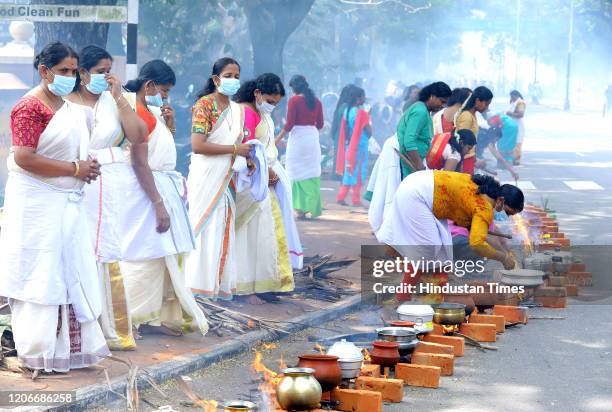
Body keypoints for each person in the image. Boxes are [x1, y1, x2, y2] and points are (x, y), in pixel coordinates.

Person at [0, 42, 109, 374]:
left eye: (73, 71)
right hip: (36, 205)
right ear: (44, 71)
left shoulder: (74, 110)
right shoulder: (29, 107)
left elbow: (71, 154)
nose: (70, 76)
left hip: (66, 204)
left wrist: (85, 168)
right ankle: (36, 352)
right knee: (39, 276)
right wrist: (75, 169)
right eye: (63, 70)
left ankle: (68, 351)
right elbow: (24, 157)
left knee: (66, 272)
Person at [116, 60, 208, 337]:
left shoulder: (150, 112)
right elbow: (140, 162)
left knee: (161, 255)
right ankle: (130, 318)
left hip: (160, 185)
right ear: (149, 86)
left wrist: (169, 125)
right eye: (164, 90)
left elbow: (160, 148)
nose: (166, 96)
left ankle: (152, 316)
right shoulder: (138, 113)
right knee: (142, 254)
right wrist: (157, 203)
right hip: (145, 190)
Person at [67, 45, 147, 350]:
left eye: (108, 70)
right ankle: (79, 329)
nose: (106, 76)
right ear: (83, 73)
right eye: (99, 71)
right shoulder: (67, 102)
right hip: (74, 180)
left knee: (106, 249)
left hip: (109, 183)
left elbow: (139, 135)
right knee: (79, 246)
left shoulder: (118, 100)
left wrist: (118, 98)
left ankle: (109, 327)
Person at [185, 57, 252, 300]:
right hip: (206, 176)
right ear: (216, 79)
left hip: (227, 176)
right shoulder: (205, 105)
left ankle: (214, 287)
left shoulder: (237, 110)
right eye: (228, 76)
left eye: (237, 76)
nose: (233, 80)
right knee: (203, 229)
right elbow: (198, 145)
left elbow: (237, 144)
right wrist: (235, 151)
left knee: (222, 227)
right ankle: (194, 287)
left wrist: (248, 158)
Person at [233, 73, 303, 304]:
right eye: (270, 101)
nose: (272, 106)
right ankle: (248, 288)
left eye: (276, 103)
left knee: (269, 233)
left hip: (266, 179)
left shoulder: (260, 112)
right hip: (252, 181)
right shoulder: (247, 112)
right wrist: (265, 170)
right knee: (253, 235)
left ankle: (266, 283)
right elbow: (248, 147)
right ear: (257, 94)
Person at [377, 171, 522, 269]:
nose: (505, 215)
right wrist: (502, 258)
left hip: (415, 180)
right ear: (501, 200)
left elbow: (478, 232)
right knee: (430, 249)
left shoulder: (483, 189)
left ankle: (410, 274)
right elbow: (477, 244)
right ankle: (408, 289)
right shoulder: (483, 207)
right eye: (507, 212)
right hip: (418, 194)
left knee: (443, 247)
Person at [276, 75, 324, 219]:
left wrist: (276, 139)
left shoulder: (294, 101)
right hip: (312, 138)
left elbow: (289, 124)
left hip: (298, 140)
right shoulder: (317, 102)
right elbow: (320, 125)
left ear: (294, 88)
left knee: (295, 172)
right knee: (312, 171)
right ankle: (313, 208)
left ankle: (300, 209)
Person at [396, 81, 451, 178]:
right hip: (408, 162)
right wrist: (419, 166)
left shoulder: (424, 110)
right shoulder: (420, 111)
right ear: (432, 96)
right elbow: (409, 141)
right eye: (442, 101)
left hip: (413, 161)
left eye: (445, 103)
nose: (442, 106)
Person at [335, 86, 372, 206]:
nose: (365, 98)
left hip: (350, 144)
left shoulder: (347, 111)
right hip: (360, 145)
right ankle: (356, 199)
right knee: (359, 171)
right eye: (363, 96)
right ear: (358, 98)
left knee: (350, 170)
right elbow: (369, 131)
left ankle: (341, 195)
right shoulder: (361, 113)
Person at [456, 86, 494, 174]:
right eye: (486, 104)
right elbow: (462, 143)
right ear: (477, 101)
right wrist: (475, 160)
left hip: (469, 158)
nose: (487, 108)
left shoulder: (472, 115)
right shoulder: (467, 116)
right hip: (465, 159)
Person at [476, 114, 520, 180]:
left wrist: (512, 172)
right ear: (494, 136)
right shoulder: (487, 140)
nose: (496, 142)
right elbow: (500, 158)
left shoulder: (487, 136)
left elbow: (501, 159)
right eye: (496, 140)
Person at [330, 84, 357, 176]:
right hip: (345, 134)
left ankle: (338, 174)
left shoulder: (341, 106)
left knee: (339, 155)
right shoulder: (347, 107)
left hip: (339, 134)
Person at [506, 90, 526, 165]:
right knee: (512, 142)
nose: (511, 98)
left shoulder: (521, 103)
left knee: (518, 142)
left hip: (518, 125)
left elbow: (521, 114)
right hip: (512, 125)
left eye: (511, 96)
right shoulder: (513, 102)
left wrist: (510, 113)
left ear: (515, 95)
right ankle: (511, 158)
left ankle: (516, 159)